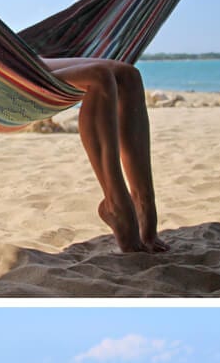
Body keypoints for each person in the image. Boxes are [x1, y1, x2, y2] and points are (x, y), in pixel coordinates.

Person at [42, 57, 169, 254]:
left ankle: (143, 204)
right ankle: (116, 203)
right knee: (99, 76)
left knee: (129, 76)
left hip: (19, 52)